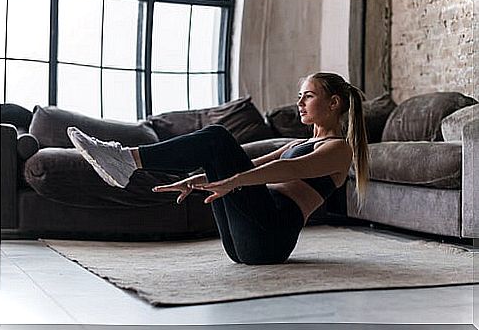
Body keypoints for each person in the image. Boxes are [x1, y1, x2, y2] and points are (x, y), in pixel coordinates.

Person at [67, 72, 369, 265]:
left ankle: (127, 160)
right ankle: (127, 162)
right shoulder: (299, 141)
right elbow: (253, 165)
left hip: (271, 237)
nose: (300, 103)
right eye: (299, 96)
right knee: (216, 145)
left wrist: (232, 181)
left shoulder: (339, 149)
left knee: (218, 138)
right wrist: (197, 180)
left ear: (333, 103)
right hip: (247, 244)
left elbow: (288, 168)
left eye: (309, 95)